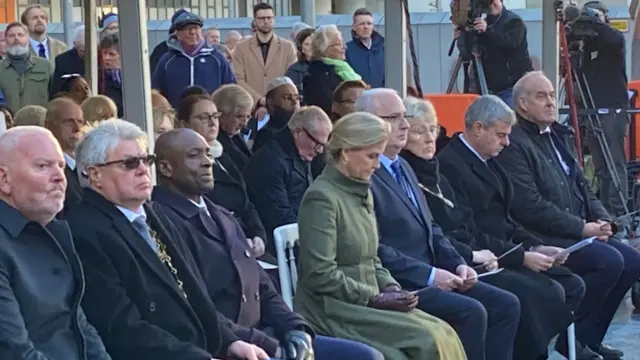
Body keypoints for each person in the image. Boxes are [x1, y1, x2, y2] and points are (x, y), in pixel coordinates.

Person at [152, 128, 386, 360]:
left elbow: (263, 286)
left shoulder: (221, 215)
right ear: (165, 168)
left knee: (365, 356)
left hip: (267, 332)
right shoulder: (162, 223)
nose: (207, 162)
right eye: (194, 155)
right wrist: (269, 344)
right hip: (228, 345)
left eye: (208, 154)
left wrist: (296, 328)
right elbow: (196, 308)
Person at [68, 119, 269, 360]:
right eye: (130, 163)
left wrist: (231, 342)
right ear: (95, 175)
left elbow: (196, 295)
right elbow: (122, 329)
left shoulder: (154, 213)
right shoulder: (84, 231)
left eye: (146, 160)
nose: (143, 169)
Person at [358, 89, 519, 360]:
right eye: (394, 118)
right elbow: (376, 248)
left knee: (506, 304)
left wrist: (458, 263)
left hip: (432, 271)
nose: (405, 125)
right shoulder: (364, 175)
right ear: (365, 121)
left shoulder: (404, 167)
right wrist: (432, 275)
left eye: (404, 118)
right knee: (472, 311)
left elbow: (432, 228)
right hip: (399, 283)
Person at [295, 111, 466, 360]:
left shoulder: (360, 190)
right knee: (425, 340)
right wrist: (374, 297)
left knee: (444, 332)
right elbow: (319, 274)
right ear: (345, 153)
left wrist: (391, 287)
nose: (377, 165)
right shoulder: (322, 198)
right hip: (332, 307)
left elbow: (371, 257)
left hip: (366, 299)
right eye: (372, 156)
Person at [495, 71, 640, 360]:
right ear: (522, 104)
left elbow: (582, 185)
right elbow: (529, 205)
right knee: (608, 262)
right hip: (544, 238)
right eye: (541, 96)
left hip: (577, 231)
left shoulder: (556, 136)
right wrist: (582, 228)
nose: (550, 102)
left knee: (632, 260)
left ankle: (588, 339)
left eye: (551, 95)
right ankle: (568, 335)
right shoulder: (515, 144)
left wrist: (601, 221)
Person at [431, 95, 581, 360]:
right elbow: (468, 231)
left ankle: (550, 350)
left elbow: (507, 219)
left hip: (502, 250)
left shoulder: (490, 160)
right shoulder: (452, 165)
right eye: (501, 135)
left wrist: (535, 245)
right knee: (538, 294)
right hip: (479, 259)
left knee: (571, 283)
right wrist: (521, 256)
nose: (507, 142)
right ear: (479, 127)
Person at [0, 126, 111, 360]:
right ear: (3, 179)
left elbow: (81, 327)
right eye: (42, 166)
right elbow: (14, 352)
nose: (60, 176)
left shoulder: (55, 231)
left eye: (60, 165)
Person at [177, 94, 267, 251]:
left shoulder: (224, 154)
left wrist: (258, 235)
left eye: (215, 116)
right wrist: (240, 240)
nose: (213, 123)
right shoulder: (184, 166)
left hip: (247, 241)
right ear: (184, 124)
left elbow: (246, 203)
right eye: (204, 118)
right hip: (223, 246)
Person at [244, 106, 331, 256]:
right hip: (281, 249)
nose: (320, 150)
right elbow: (280, 217)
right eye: (317, 143)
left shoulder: (301, 152)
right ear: (298, 132)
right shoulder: (270, 161)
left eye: (323, 145)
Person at [577, 1, 631, 224]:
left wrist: (597, 23)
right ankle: (605, 209)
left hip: (611, 108)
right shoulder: (585, 44)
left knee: (614, 162)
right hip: (590, 109)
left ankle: (619, 211)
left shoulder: (611, 39)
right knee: (599, 164)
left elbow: (616, 40)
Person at [152, 10, 236, 108]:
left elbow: (231, 90)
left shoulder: (217, 58)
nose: (192, 32)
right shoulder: (167, 60)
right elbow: (156, 92)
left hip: (210, 119)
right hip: (176, 119)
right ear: (177, 33)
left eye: (196, 28)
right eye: (187, 28)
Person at [465, 0, 532, 104]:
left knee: (510, 118)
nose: (492, 4)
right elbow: (468, 53)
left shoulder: (514, 21)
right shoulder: (482, 23)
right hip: (489, 86)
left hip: (512, 86)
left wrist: (487, 30)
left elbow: (510, 42)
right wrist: (463, 35)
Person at [232, 2, 297, 102]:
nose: (266, 21)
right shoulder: (241, 48)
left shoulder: (287, 47)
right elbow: (238, 79)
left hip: (280, 105)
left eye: (269, 18)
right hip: (251, 107)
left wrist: (274, 100)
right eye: (262, 18)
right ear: (255, 20)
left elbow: (291, 79)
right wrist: (259, 100)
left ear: (274, 20)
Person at [303, 25, 362, 116]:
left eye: (343, 43)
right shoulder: (316, 74)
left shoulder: (342, 68)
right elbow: (326, 106)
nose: (345, 47)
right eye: (338, 44)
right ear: (324, 48)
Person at [44, 98, 86, 215]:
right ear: (48, 126)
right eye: (68, 122)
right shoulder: (45, 170)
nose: (77, 129)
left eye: (80, 121)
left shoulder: (88, 165)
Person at [0, 22, 53, 114]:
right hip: (8, 124)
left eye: (20, 35)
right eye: (11, 36)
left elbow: (55, 96)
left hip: (40, 122)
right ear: (6, 40)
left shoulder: (45, 66)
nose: (16, 38)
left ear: (28, 38)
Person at [252, 76, 301, 151]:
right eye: (288, 98)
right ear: (271, 104)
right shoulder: (266, 135)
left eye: (297, 98)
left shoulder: (300, 131)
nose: (295, 102)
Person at [212, 84, 254, 170]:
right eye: (239, 117)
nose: (244, 124)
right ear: (221, 114)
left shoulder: (236, 138)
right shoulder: (215, 146)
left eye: (248, 117)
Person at [346, 8, 385, 88]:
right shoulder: (346, 50)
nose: (366, 27)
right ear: (354, 27)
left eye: (369, 23)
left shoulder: (384, 49)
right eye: (362, 24)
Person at [52, 25, 85, 96]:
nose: (87, 54)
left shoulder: (103, 57)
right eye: (83, 51)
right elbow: (56, 90)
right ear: (75, 44)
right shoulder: (62, 61)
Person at [98, 34, 123, 117]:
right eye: (104, 53)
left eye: (112, 54)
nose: (106, 58)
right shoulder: (96, 77)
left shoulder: (131, 78)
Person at [286, 28, 314, 94]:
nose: (311, 47)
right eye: (307, 44)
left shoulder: (328, 67)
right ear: (301, 48)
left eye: (313, 43)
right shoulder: (294, 70)